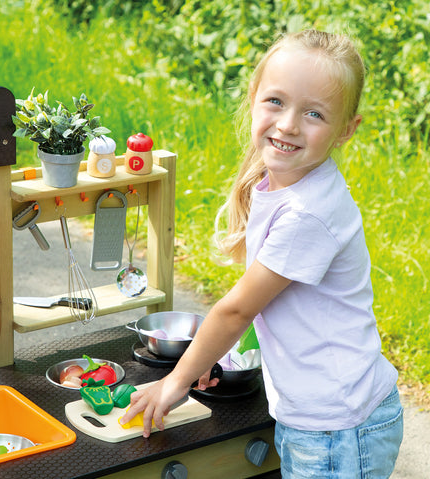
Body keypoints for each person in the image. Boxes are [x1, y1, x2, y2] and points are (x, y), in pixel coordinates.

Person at [120, 29, 403, 478]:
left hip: (337, 429)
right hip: (322, 416)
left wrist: (175, 381)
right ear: (253, 98)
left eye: (314, 113)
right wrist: (213, 357)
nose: (289, 124)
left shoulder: (309, 213)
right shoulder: (282, 184)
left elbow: (236, 310)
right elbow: (275, 304)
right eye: (276, 102)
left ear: (347, 131)